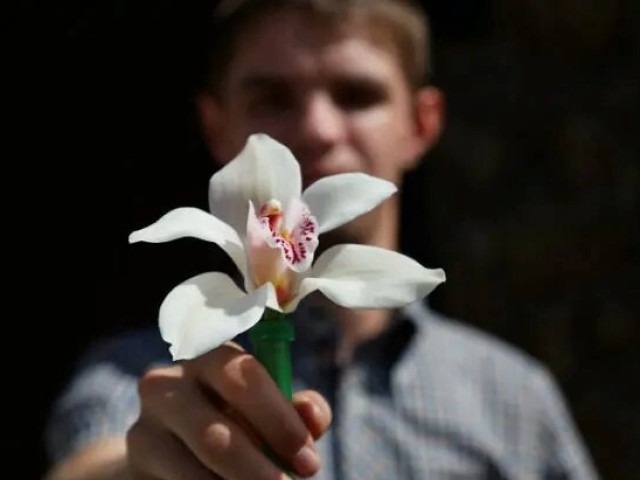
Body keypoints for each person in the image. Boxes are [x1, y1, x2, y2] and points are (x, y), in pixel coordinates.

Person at [43, 1, 599, 479]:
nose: (317, 129)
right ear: (214, 125)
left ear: (423, 124)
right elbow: (93, 456)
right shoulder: (143, 370)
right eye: (273, 98)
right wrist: (139, 467)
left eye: (357, 95)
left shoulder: (515, 399)